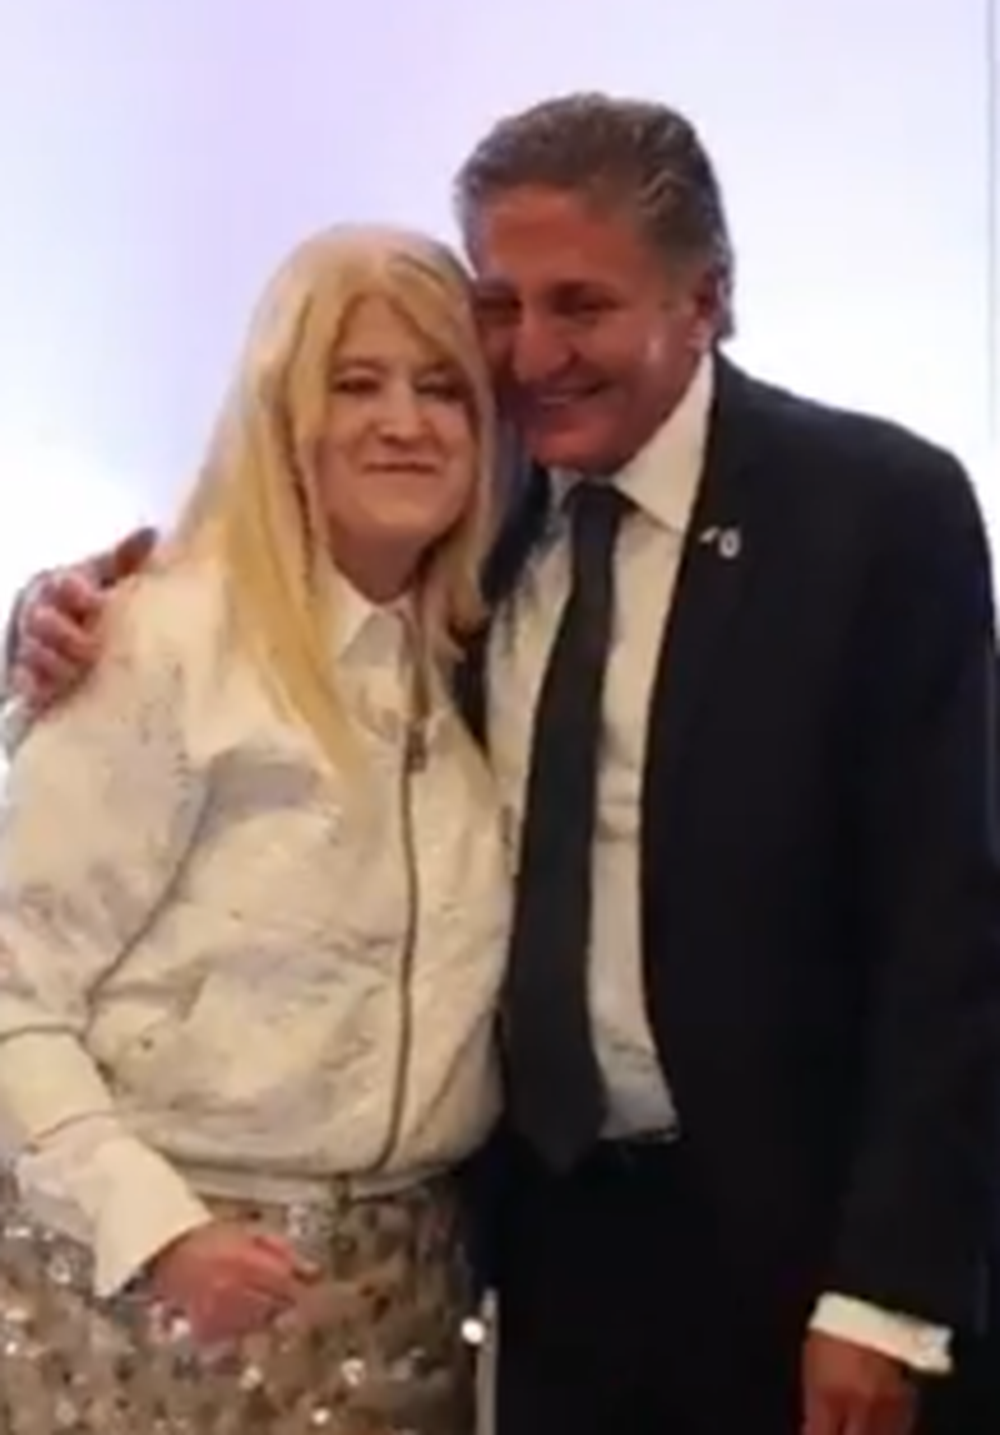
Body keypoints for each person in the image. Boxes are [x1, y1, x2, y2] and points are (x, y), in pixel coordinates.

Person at [8, 93, 1000, 1435]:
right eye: (500, 306)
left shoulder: (872, 511)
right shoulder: (474, 515)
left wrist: (889, 1290)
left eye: (580, 305)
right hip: (537, 1254)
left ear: (705, 299)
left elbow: (951, 925)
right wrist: (57, 618)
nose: (530, 355)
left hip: (802, 1255)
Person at [0, 223, 511, 1435]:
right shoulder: (160, 644)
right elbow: (13, 986)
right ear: (282, 413)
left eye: (442, 387)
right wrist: (157, 1228)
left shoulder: (482, 661)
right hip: (149, 1298)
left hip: (406, 1293)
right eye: (357, 383)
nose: (405, 422)